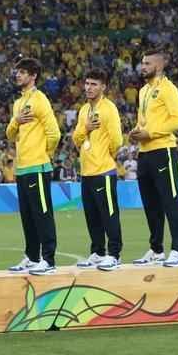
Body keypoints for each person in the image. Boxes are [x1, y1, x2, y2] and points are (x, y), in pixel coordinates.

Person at [130, 48, 178, 267]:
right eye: (142, 63)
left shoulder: (168, 88)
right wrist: (137, 131)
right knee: (151, 204)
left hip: (163, 151)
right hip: (144, 153)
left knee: (170, 201)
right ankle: (156, 250)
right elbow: (144, 120)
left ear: (159, 65)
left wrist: (151, 133)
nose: (143, 67)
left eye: (147, 63)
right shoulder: (144, 90)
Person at [4, 57, 61, 275]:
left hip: (38, 166)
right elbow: (10, 135)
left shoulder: (40, 100)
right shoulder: (18, 103)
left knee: (42, 214)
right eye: (17, 72)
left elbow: (54, 133)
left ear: (33, 76)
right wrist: (16, 120)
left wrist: (45, 155)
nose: (18, 75)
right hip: (22, 168)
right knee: (27, 216)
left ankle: (48, 259)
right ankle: (32, 256)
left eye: (22, 72)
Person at [72, 69, 124, 271]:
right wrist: (85, 127)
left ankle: (114, 254)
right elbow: (76, 139)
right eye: (87, 83)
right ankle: (98, 252)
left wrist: (106, 156)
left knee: (109, 214)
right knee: (92, 216)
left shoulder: (109, 109)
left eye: (94, 84)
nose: (89, 88)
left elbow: (117, 140)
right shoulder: (84, 110)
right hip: (86, 172)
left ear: (103, 86)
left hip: (103, 171)